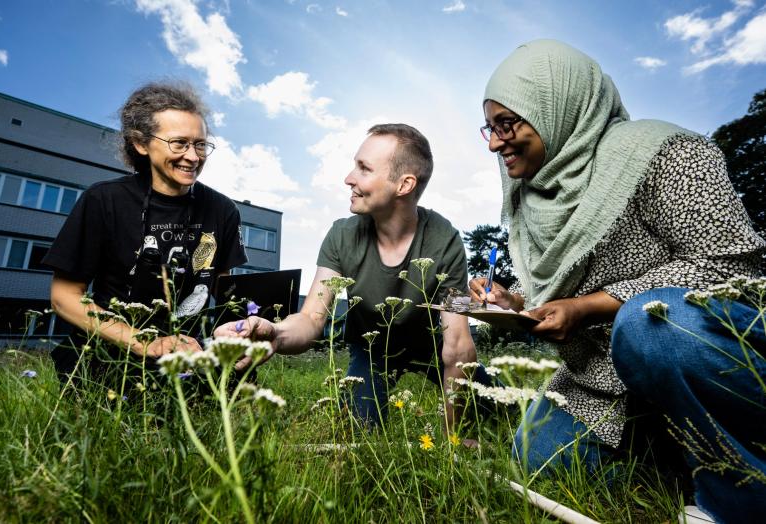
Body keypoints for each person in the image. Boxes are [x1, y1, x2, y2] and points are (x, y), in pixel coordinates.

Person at [469, 39, 765, 522]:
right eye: (489, 126)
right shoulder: (532, 193)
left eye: (508, 124)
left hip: (706, 352)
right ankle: (683, 458)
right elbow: (561, 292)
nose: (494, 143)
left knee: (651, 324)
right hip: (606, 379)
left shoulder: (663, 153)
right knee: (539, 459)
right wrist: (514, 301)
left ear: (557, 107)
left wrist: (593, 306)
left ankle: (739, 500)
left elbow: (732, 267)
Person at [216, 124, 494, 429]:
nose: (348, 178)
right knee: (363, 431)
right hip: (371, 349)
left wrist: (455, 435)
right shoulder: (342, 235)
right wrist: (275, 333)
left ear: (404, 185)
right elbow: (311, 318)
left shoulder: (445, 240)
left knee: (499, 410)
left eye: (364, 169)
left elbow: (457, 343)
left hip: (430, 347)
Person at [44, 82, 248, 387]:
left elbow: (224, 294)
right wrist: (144, 343)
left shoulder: (223, 210)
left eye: (200, 144)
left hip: (188, 363)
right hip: (108, 361)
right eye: (179, 143)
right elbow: (64, 298)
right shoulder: (104, 200)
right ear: (141, 143)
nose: (193, 157)